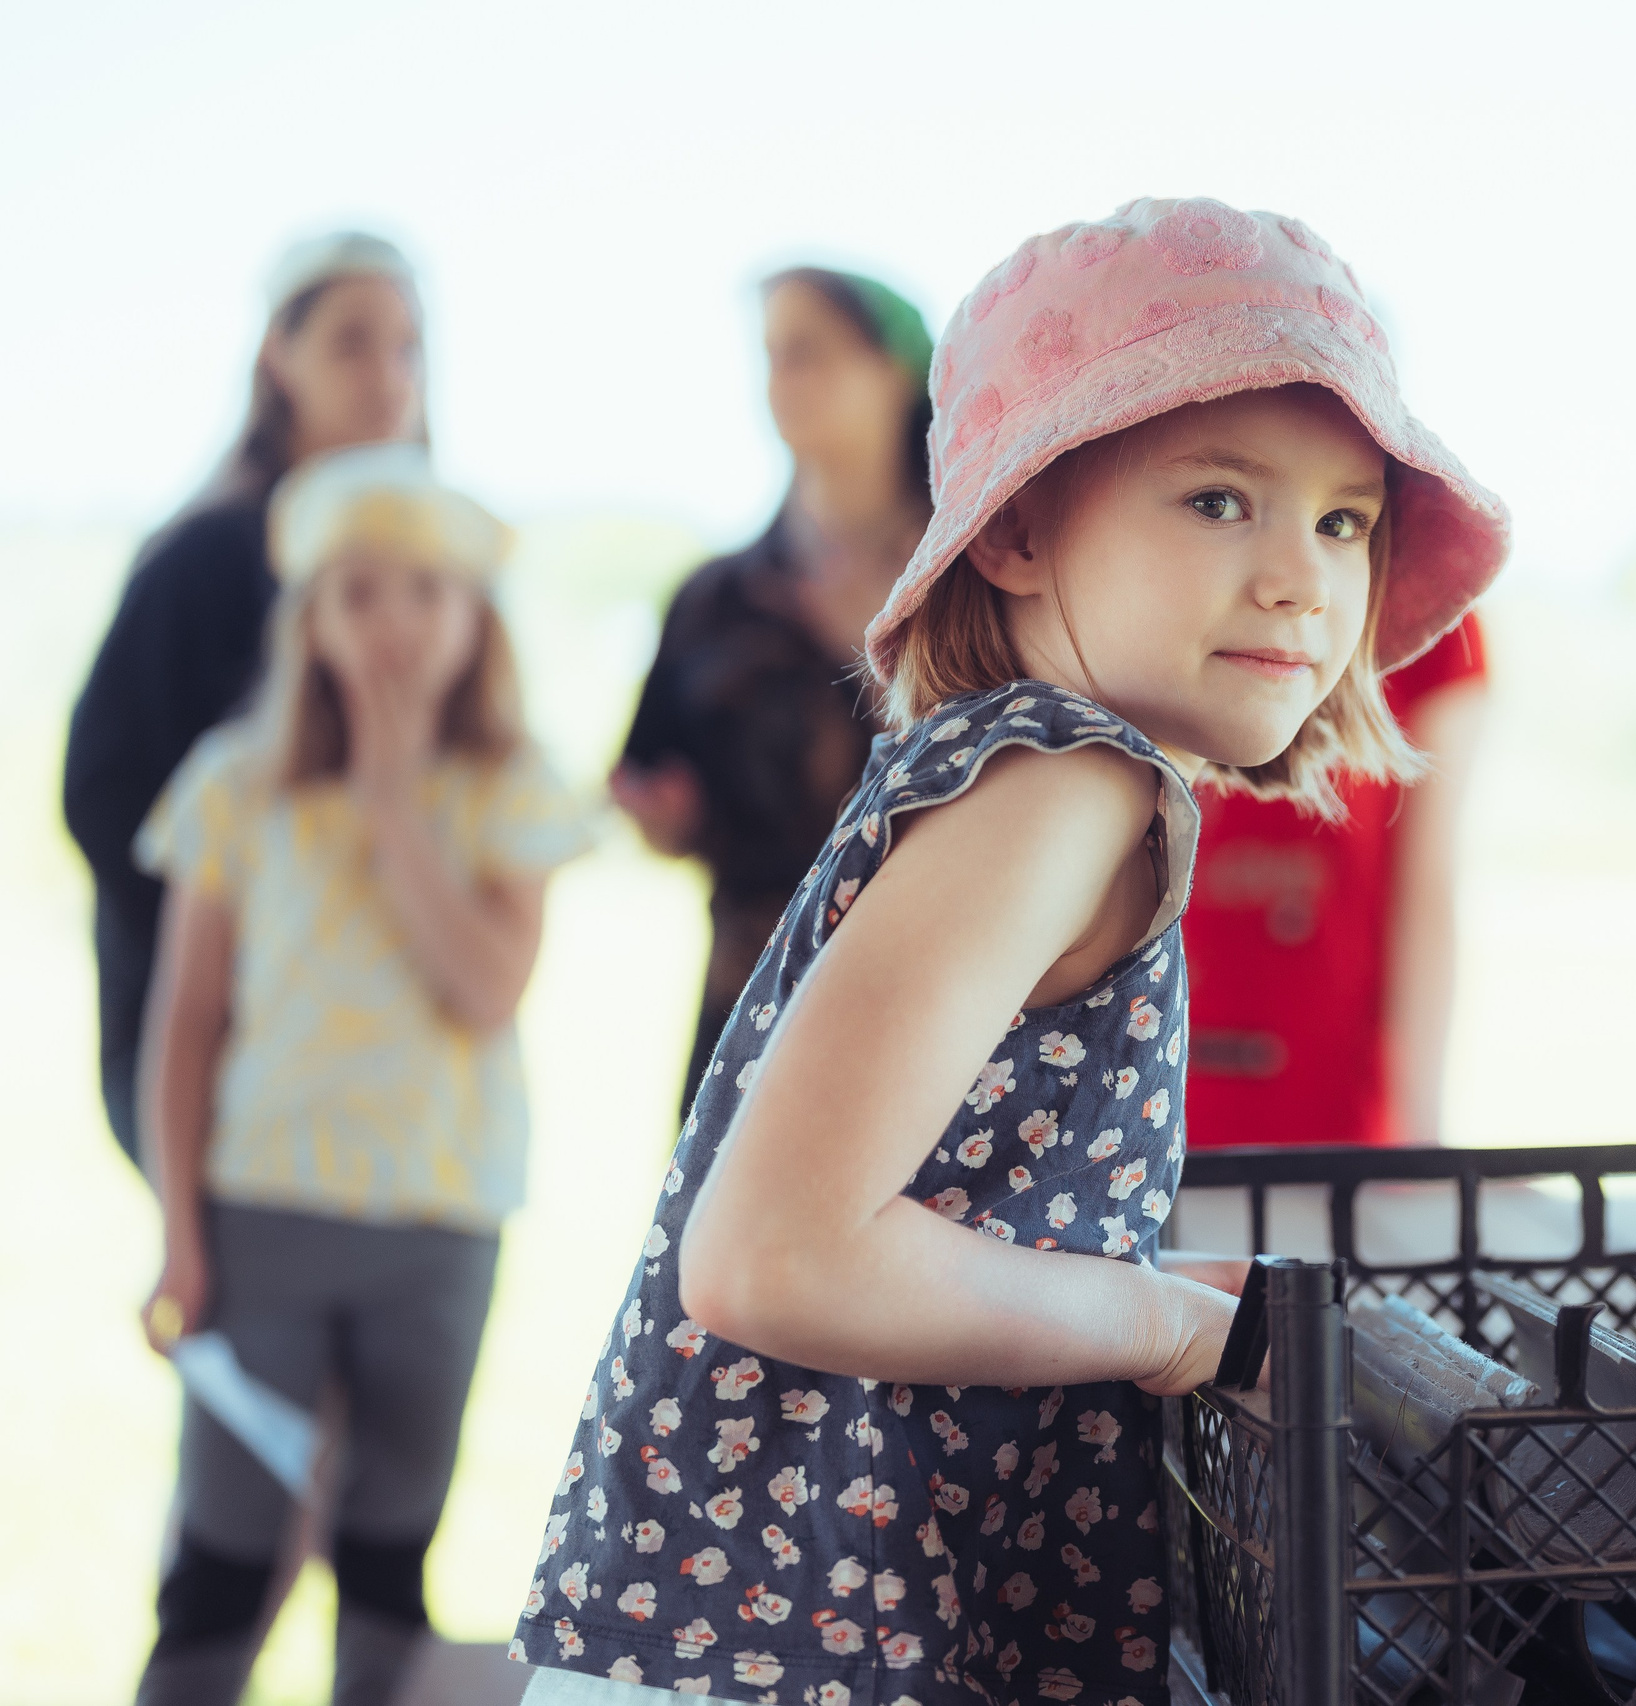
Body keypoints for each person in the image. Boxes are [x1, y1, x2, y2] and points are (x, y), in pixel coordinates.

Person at [510, 197, 1508, 1704]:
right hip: (790, 1655)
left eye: (1345, 518)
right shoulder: (1066, 787)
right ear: (1026, 524)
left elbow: (931, 1196)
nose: (1302, 573)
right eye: (1220, 500)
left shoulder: (1031, 774)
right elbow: (774, 1252)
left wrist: (1141, 1267)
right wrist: (1163, 1324)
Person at [131, 446, 592, 1705]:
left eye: (426, 591)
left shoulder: (510, 788)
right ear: (311, 616)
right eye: (360, 591)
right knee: (221, 1556)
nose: (393, 622)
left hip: (438, 1225)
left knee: (389, 1553)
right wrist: (179, 1225)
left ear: (475, 619)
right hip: (260, 1212)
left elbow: (490, 988)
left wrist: (395, 806)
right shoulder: (236, 788)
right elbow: (185, 1024)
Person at [65, 232, 427, 1168]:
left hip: (381, 1064)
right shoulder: (207, 554)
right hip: (220, 1049)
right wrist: (226, 960)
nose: (386, 376)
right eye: (351, 342)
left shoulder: (428, 570)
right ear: (279, 355)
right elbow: (104, 795)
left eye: (406, 346)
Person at [610, 268, 935, 1109]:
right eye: (772, 355)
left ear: (898, 368)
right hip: (746, 1013)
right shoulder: (713, 597)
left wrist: (879, 658)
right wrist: (663, 821)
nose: (783, 381)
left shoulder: (984, 579)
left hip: (939, 1010)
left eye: (811, 352)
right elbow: (649, 780)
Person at [1184, 610, 1489, 1147]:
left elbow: (1427, 888)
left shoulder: (1440, 629)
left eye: (1339, 523)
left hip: (1333, 1109)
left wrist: (1422, 1132)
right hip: (1137, 1116)